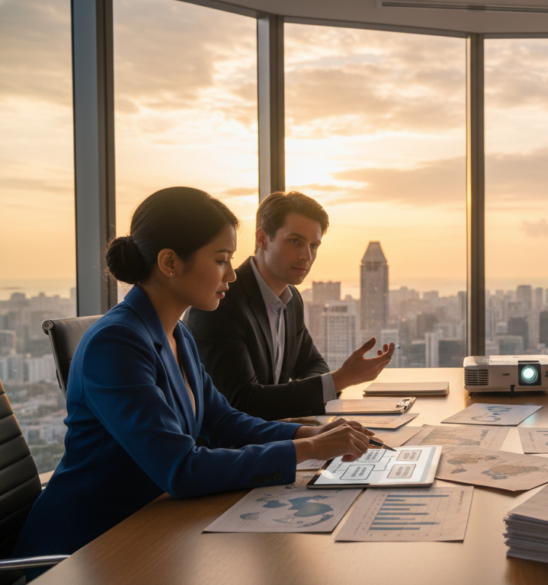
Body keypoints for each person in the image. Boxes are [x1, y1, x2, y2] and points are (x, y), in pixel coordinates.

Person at [12, 187, 375, 565]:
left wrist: (312, 433)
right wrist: (310, 451)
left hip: (151, 529)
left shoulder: (177, 333)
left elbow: (222, 421)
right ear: (170, 263)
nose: (233, 274)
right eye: (221, 260)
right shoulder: (115, 343)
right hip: (83, 551)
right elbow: (181, 469)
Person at [184, 192, 394, 421]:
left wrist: (294, 406)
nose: (307, 256)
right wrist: (340, 379)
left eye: (314, 245)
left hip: (276, 438)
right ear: (262, 239)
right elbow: (242, 402)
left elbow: (315, 365)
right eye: (295, 241)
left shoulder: (291, 298)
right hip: (231, 451)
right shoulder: (221, 302)